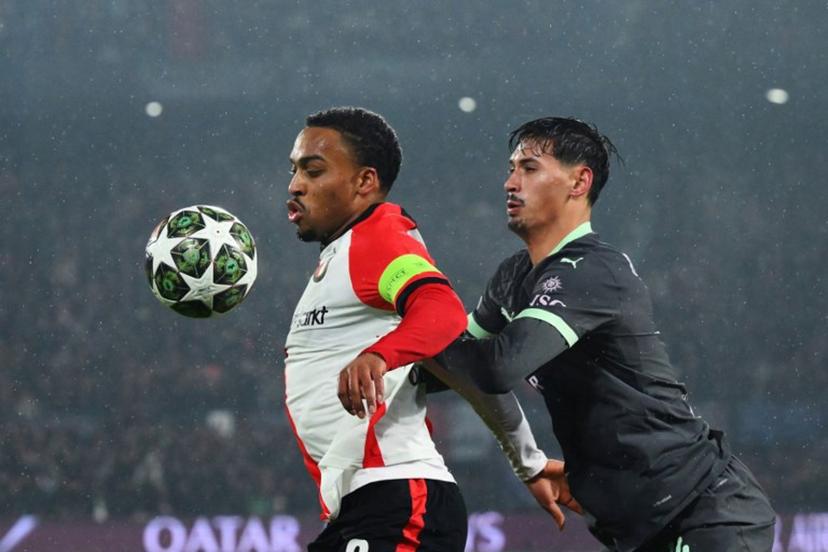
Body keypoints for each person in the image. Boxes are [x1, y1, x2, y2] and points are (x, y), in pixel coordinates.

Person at [339, 116, 776, 552]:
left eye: (529, 169)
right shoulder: (512, 276)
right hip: (641, 528)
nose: (511, 182)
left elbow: (494, 368)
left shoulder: (594, 270)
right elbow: (443, 369)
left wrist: (411, 331)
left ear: (578, 182)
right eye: (511, 169)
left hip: (705, 511)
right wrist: (374, 350)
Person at [283, 107, 575, 552]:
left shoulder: (376, 237)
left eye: (313, 169)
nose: (295, 185)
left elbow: (441, 309)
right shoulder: (345, 259)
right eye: (295, 169)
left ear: (365, 182)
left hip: (397, 500)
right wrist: (528, 461)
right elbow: (462, 365)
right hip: (371, 505)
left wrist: (379, 355)